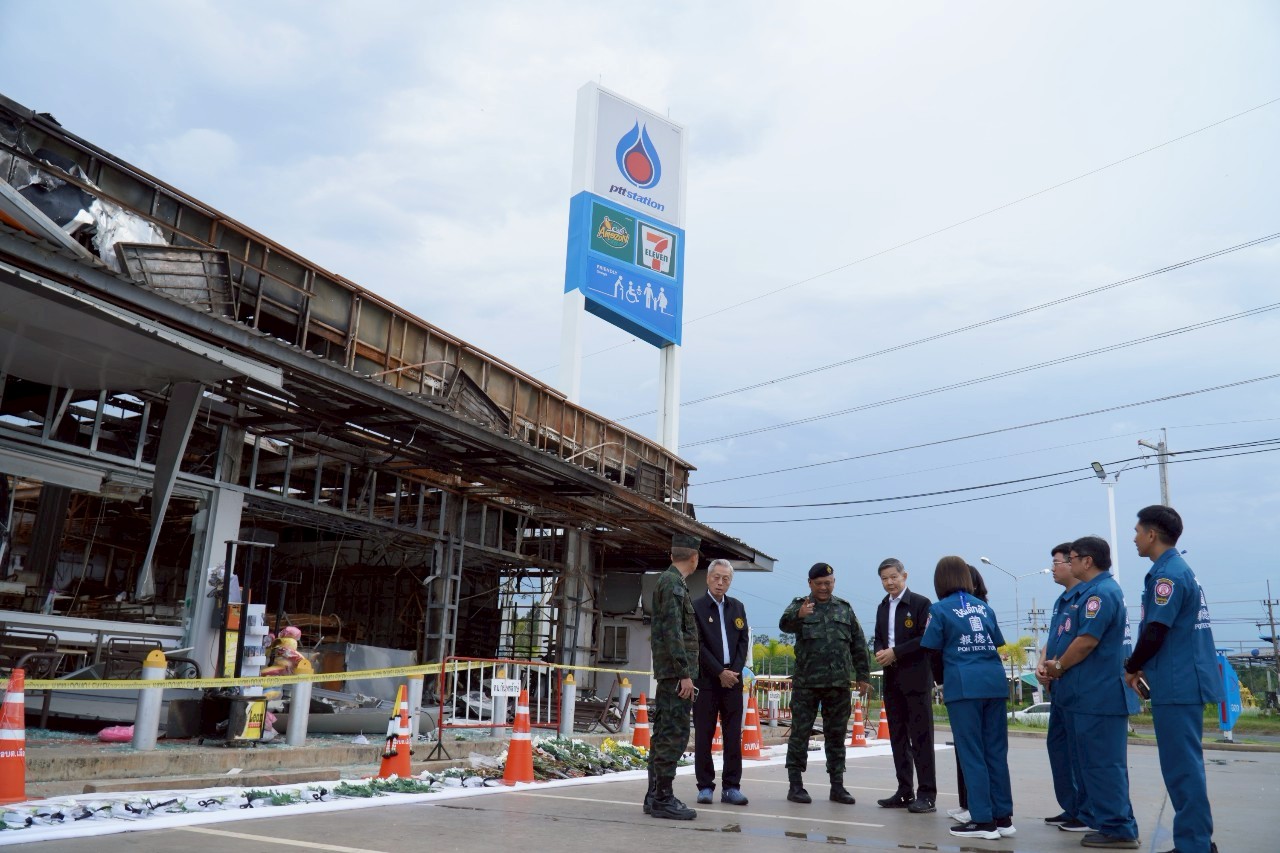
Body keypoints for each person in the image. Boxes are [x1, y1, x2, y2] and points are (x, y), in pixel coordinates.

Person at [1124, 506, 1221, 853]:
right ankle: (1196, 841)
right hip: (1179, 679)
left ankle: (1195, 845)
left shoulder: (1168, 576)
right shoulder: (1177, 570)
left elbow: (1155, 631)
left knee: (1182, 769)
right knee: (1184, 767)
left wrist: (1132, 666)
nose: (1134, 538)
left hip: (1178, 682)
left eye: (1137, 531)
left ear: (1152, 534)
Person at [1042, 536, 1140, 849]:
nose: (1067, 564)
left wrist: (1058, 666)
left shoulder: (1101, 593)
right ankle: (1106, 822)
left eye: (1071, 558)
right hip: (1084, 696)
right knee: (1092, 765)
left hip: (1100, 697)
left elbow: (1086, 641)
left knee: (1104, 765)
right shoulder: (1087, 593)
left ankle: (1119, 828)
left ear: (1087, 561)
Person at [921, 555, 1013, 840]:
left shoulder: (939, 610)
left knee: (971, 753)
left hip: (963, 685)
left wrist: (941, 682)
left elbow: (931, 650)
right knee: (995, 752)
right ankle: (1003, 817)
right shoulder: (984, 608)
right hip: (994, 683)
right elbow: (996, 642)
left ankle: (983, 820)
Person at [779, 561, 871, 805]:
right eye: (819, 583)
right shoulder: (800, 605)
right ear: (810, 583)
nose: (823, 587)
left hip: (838, 685)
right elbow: (784, 624)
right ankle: (795, 785)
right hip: (807, 685)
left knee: (836, 735)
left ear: (834, 582)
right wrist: (799, 616)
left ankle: (837, 786)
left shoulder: (844, 609)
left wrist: (863, 676)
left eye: (828, 583)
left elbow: (858, 643)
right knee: (800, 734)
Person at [643, 533, 701, 821]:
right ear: (694, 558)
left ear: (671, 555)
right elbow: (673, 632)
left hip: (670, 674)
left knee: (664, 733)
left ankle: (654, 795)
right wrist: (684, 674)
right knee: (673, 735)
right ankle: (663, 797)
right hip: (676, 676)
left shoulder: (670, 581)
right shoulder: (673, 584)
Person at [872, 558, 936, 813]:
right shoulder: (882, 607)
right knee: (898, 738)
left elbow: (926, 638)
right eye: (884, 579)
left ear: (904, 576)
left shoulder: (921, 604)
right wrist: (880, 652)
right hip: (892, 680)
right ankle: (904, 791)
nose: (889, 583)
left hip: (916, 680)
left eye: (893, 577)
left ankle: (927, 794)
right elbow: (879, 637)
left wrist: (896, 652)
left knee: (921, 738)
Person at [1035, 543, 1087, 831]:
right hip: (1059, 689)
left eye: (1056, 563)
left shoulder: (1089, 597)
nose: (1052, 568)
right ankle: (1071, 806)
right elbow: (1053, 638)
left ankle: (1085, 811)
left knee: (1080, 754)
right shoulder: (1061, 601)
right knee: (1059, 748)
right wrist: (1042, 664)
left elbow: (1084, 641)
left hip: (1077, 686)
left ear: (1073, 562)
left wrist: (1058, 666)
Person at [692, 559, 750, 806]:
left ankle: (731, 787)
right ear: (708, 578)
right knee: (704, 735)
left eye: (726, 579)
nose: (720, 582)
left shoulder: (737, 607)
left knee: (733, 735)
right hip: (706, 680)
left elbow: (743, 642)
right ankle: (705, 786)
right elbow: (697, 645)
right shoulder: (695, 607)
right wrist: (719, 672)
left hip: (733, 680)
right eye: (716, 577)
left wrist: (733, 671)